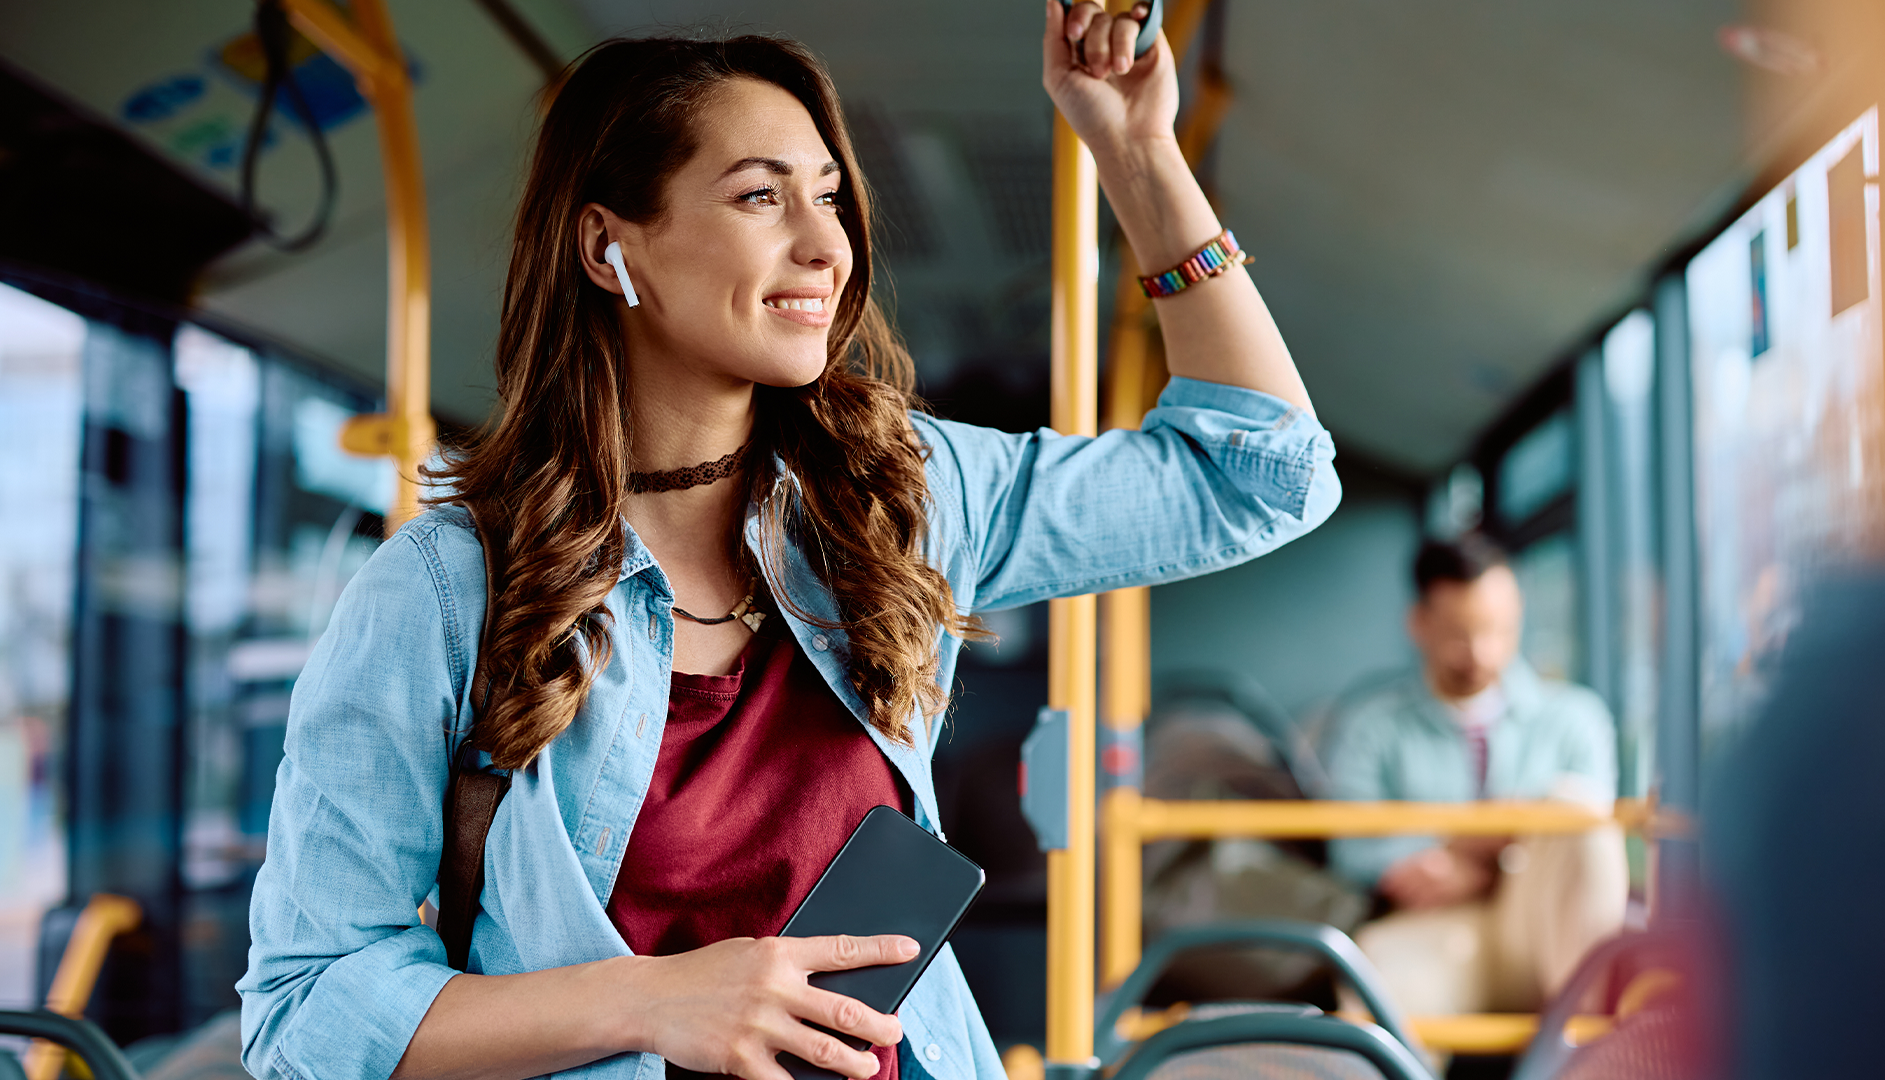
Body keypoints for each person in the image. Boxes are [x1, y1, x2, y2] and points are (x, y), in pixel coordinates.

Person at [238, 7, 1342, 1080]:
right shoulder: (443, 593)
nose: (827, 244)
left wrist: (1138, 151)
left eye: (829, 197)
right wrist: (658, 1001)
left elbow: (1260, 474)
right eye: (761, 197)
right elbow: (306, 1008)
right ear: (607, 245)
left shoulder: (903, 497)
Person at [1322, 535, 1626, 1016]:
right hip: (1432, 925)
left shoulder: (1576, 717)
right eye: (1460, 634)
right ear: (1419, 624)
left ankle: (1587, 1050)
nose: (1481, 652)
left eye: (1497, 630)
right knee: (1381, 1000)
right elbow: (1352, 849)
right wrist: (1483, 837)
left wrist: (1468, 852)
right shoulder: (1370, 726)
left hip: (1542, 928)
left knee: (1576, 811)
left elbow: (1592, 847)